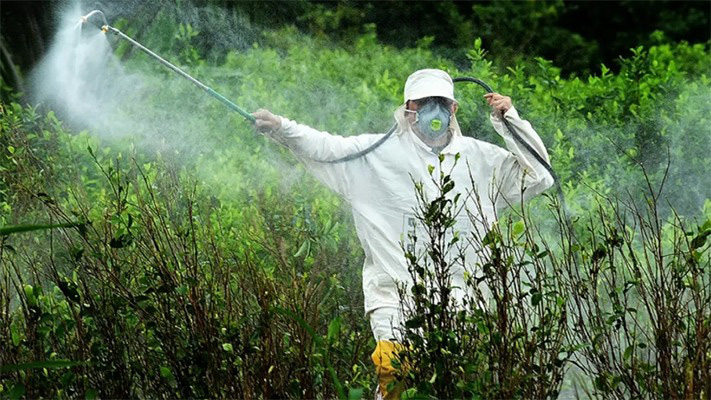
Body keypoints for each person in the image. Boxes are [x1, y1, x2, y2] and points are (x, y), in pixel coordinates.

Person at [253, 69, 554, 399]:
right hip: (392, 295)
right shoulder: (376, 153)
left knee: (446, 385)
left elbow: (540, 175)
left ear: (453, 109)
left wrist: (510, 120)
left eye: (441, 102)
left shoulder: (482, 158)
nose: (433, 110)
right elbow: (325, 148)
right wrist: (281, 127)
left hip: (461, 301)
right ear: (409, 109)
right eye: (424, 102)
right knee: (393, 371)